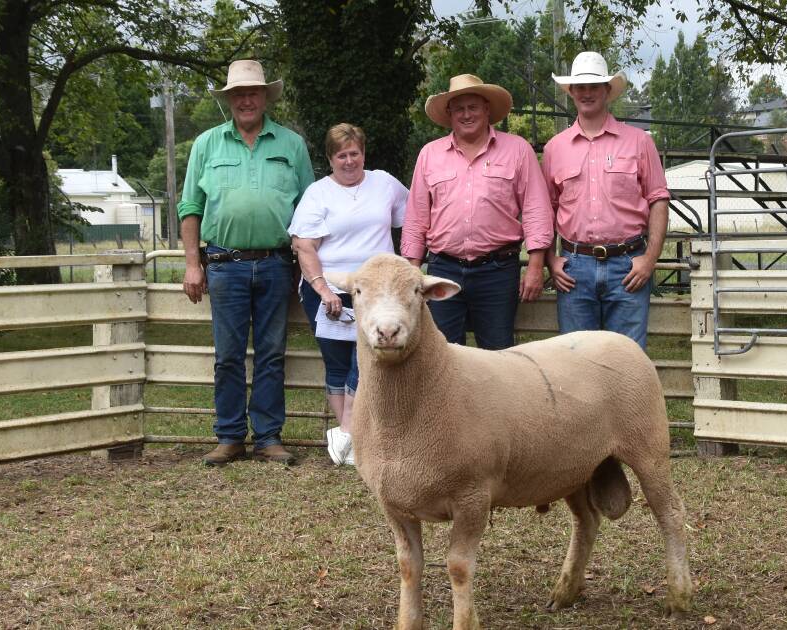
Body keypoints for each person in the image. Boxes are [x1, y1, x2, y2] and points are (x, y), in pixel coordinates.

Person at [178, 60, 314, 466]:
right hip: (223, 262)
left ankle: (269, 436)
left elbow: (310, 208)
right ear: (229, 100)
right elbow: (189, 207)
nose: (246, 100)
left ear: (265, 97)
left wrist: (307, 266)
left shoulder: (291, 145)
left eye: (253, 92)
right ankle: (230, 435)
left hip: (276, 264)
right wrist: (192, 263)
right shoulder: (206, 145)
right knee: (228, 355)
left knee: (272, 353)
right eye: (239, 94)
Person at [401, 74, 554, 349]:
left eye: (473, 107)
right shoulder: (429, 154)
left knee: (498, 355)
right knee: (441, 355)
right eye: (459, 108)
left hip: (496, 270)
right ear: (449, 114)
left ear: (487, 109)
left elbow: (536, 208)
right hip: (442, 269)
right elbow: (416, 217)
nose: (466, 114)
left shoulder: (517, 150)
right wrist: (413, 272)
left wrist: (535, 266)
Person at [290, 123, 408, 467]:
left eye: (354, 153)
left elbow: (412, 219)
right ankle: (352, 442)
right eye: (341, 155)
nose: (349, 161)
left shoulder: (384, 183)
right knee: (338, 363)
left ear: (363, 153)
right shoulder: (318, 193)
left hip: (375, 291)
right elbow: (304, 246)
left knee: (367, 358)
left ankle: (348, 432)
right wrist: (324, 289)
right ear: (330, 159)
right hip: (326, 289)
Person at [541, 52, 669, 349]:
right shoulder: (554, 149)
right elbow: (546, 209)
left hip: (628, 266)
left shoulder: (639, 141)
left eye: (594, 86)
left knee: (628, 360)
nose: (587, 93)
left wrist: (649, 260)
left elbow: (658, 199)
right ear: (571, 92)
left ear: (607, 91)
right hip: (574, 267)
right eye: (580, 87)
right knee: (576, 360)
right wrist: (551, 261)